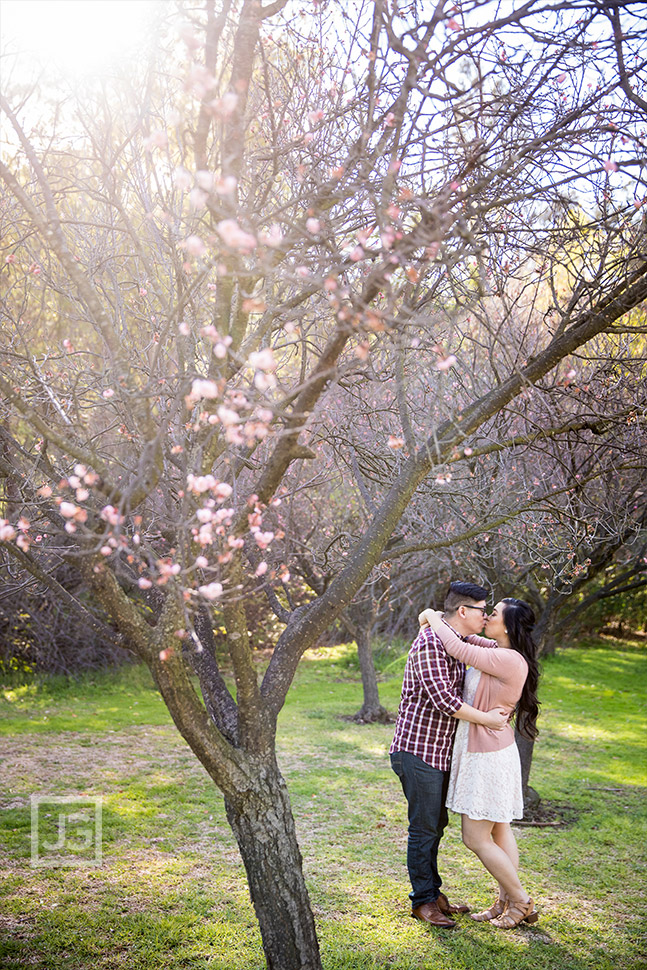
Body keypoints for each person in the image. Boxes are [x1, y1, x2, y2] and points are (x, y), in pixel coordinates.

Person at [390, 581, 508, 929]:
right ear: (463, 612)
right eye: (481, 611)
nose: (485, 617)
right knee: (424, 829)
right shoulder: (430, 642)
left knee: (435, 826)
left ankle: (433, 893)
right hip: (417, 751)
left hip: (439, 755)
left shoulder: (458, 641)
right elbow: (445, 701)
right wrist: (488, 719)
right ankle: (422, 901)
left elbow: (497, 649)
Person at [418, 596, 540, 930]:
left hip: (487, 757)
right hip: (485, 750)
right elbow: (465, 638)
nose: (487, 616)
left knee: (475, 837)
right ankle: (504, 901)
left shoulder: (508, 659)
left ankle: (521, 901)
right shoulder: (497, 650)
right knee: (499, 829)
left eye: (495, 614)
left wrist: (430, 614)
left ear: (509, 625)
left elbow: (458, 649)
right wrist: (445, 622)